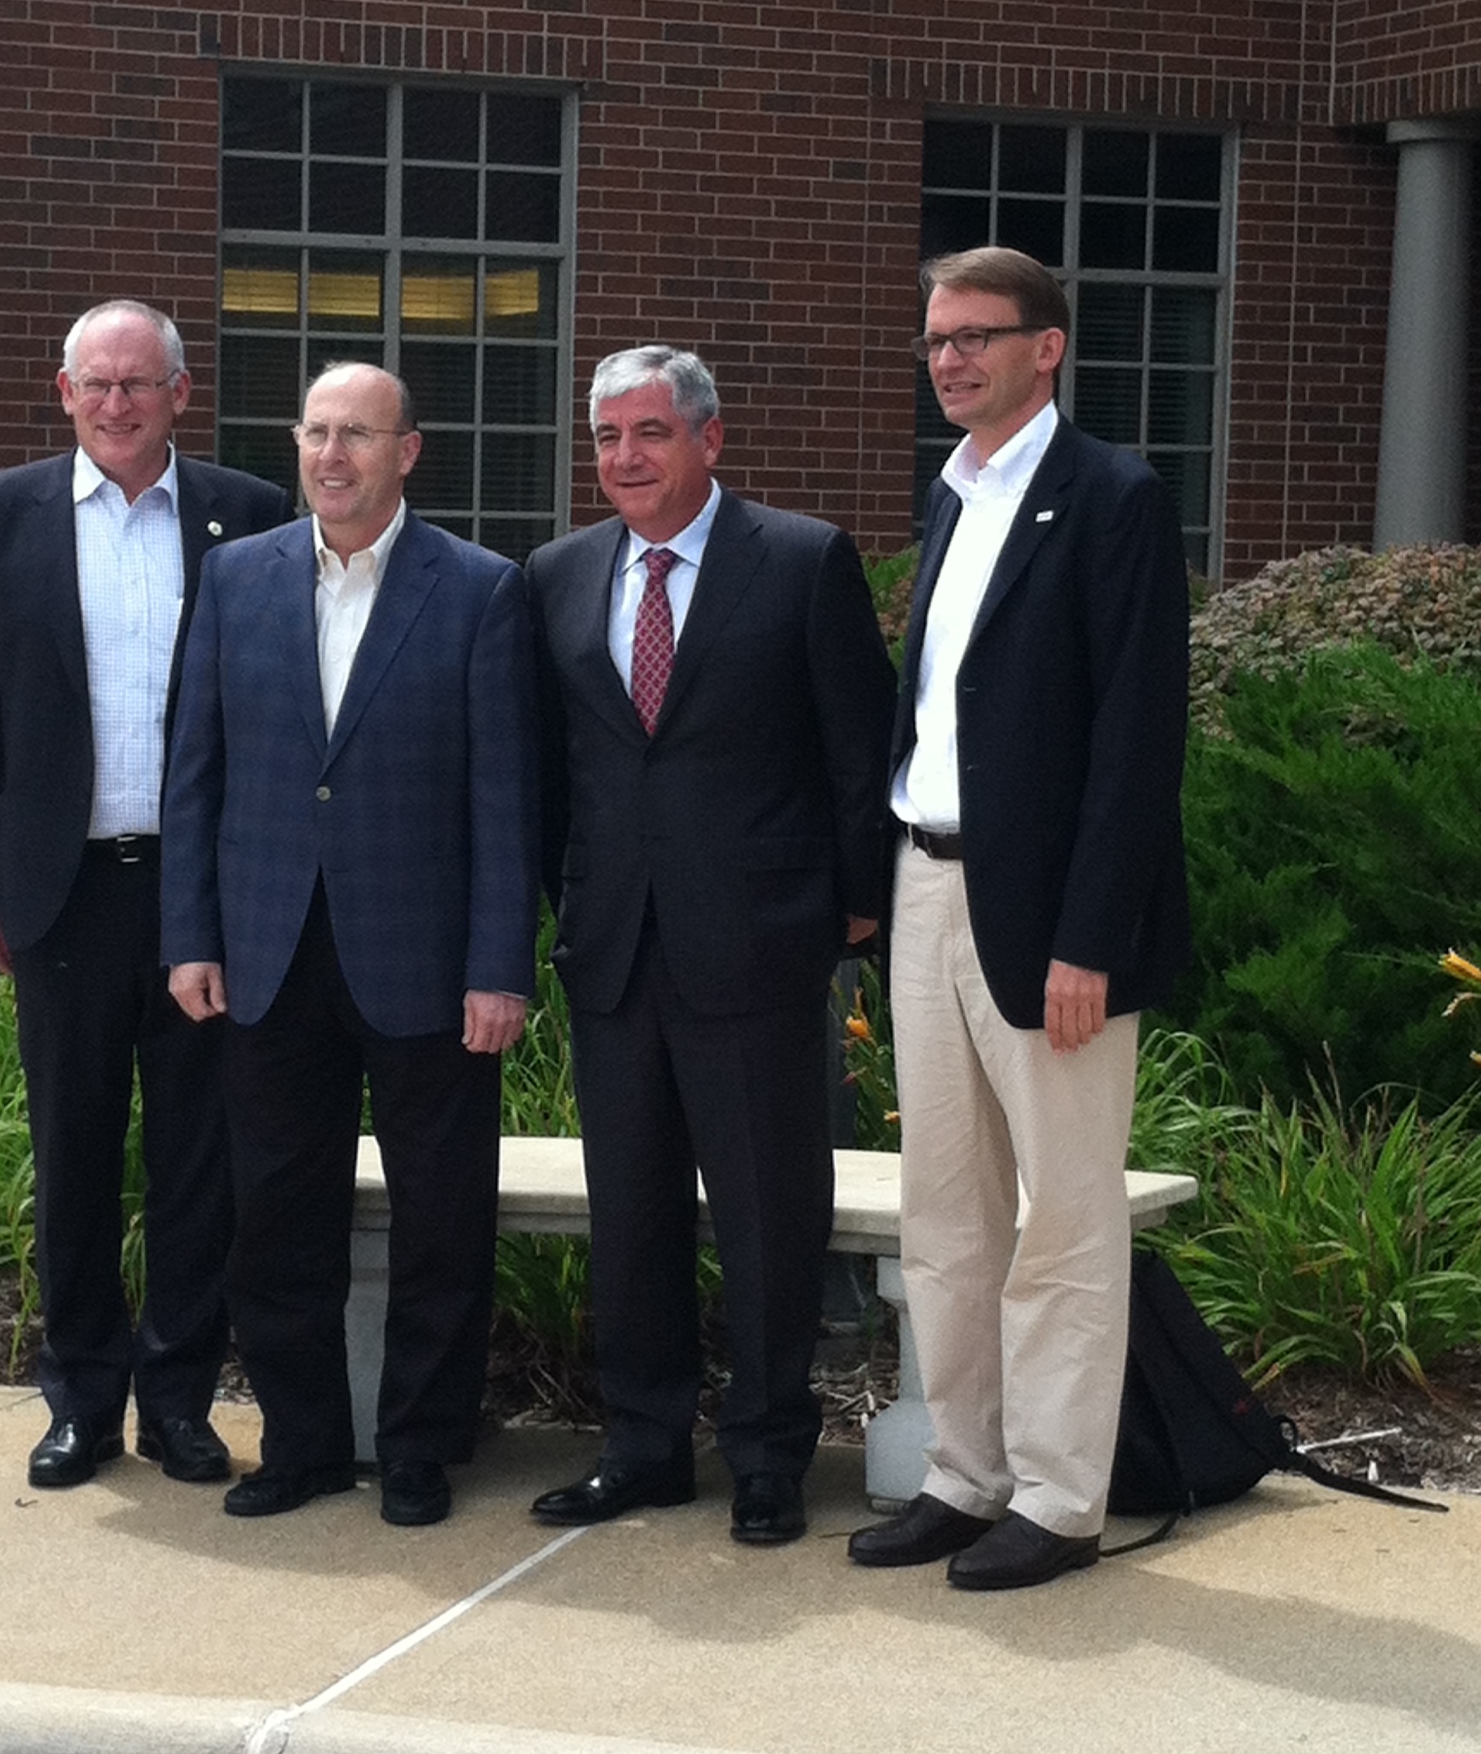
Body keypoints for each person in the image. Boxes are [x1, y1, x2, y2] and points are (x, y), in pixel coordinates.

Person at [847, 246, 1190, 1591]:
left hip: (1048, 915)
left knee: (1062, 1217)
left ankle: (1057, 1497)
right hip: (926, 881)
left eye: (974, 337)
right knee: (944, 1209)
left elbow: (1131, 739)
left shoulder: (1109, 497)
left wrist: (1087, 938)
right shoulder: (948, 497)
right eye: (933, 339)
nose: (948, 359)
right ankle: (963, 1472)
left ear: (1043, 348)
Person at [524, 346, 895, 1546]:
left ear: (710, 438)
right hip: (617, 952)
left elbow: (856, 749)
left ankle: (771, 1454)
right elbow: (549, 769)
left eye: (651, 433)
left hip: (761, 949)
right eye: (608, 437)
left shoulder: (799, 561)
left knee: (768, 1214)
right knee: (629, 1214)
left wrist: (852, 911)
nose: (625, 458)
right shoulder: (559, 573)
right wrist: (562, 901)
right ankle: (643, 1445)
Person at [161, 361, 540, 1530]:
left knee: (442, 1215)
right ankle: (305, 1441)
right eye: (317, 430)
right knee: (277, 1215)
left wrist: (499, 964)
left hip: (424, 959)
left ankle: (421, 1445)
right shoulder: (236, 577)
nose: (334, 455)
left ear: (408, 451)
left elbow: (505, 800)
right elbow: (197, 772)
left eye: (360, 435)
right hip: (269, 950)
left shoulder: (480, 588)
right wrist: (191, 936)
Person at [0, 299, 290, 1490]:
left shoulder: (249, 516)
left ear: (183, 393)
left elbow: (276, 722)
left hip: (202, 896)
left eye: (142, 383)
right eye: (99, 383)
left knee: (198, 1159)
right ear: (64, 390)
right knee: (73, 1151)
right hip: (62, 893)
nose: (119, 402)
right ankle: (81, 1397)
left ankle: (177, 1399)